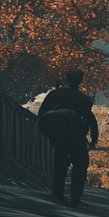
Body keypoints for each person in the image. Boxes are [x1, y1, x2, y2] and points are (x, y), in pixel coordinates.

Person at [38, 69, 99, 206]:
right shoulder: (83, 99)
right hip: (77, 136)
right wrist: (94, 137)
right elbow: (90, 118)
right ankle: (75, 196)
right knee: (80, 165)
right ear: (80, 81)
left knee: (60, 164)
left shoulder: (56, 94)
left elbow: (42, 113)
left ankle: (58, 193)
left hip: (59, 136)